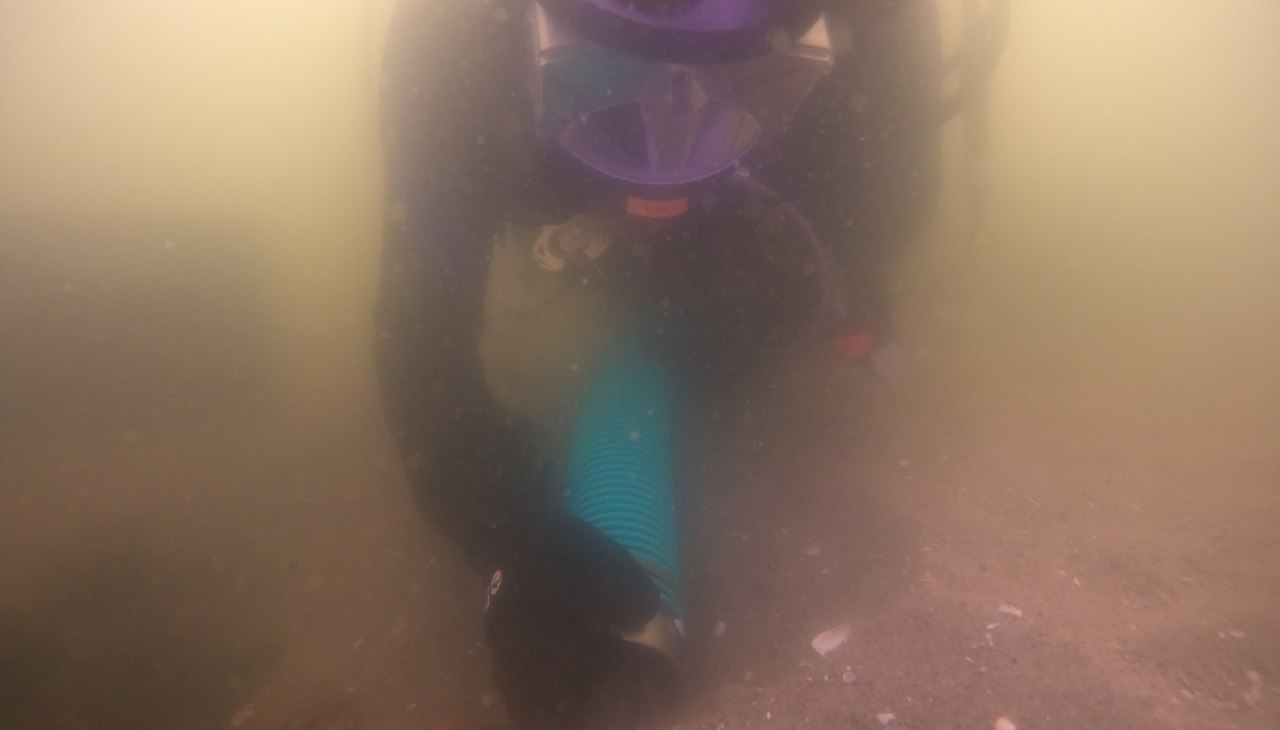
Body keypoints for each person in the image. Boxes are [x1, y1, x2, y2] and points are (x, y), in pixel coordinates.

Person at [374, 1, 999, 726]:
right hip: (556, 159)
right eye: (603, 66)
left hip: (759, 198)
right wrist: (498, 523)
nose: (672, 115)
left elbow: (869, 231)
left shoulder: (875, 40)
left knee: (751, 305)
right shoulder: (462, 37)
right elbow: (419, 326)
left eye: (748, 72)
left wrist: (754, 313)